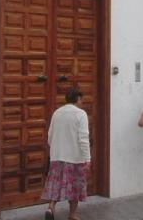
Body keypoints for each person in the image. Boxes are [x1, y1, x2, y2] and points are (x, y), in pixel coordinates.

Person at [41, 88, 91, 220]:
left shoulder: (57, 113)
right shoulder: (81, 114)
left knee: (56, 185)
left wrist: (55, 150)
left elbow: (50, 135)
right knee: (75, 187)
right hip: (75, 158)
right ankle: (72, 214)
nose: (82, 102)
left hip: (57, 156)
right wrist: (87, 158)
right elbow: (83, 138)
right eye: (81, 99)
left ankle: (51, 208)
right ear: (78, 99)